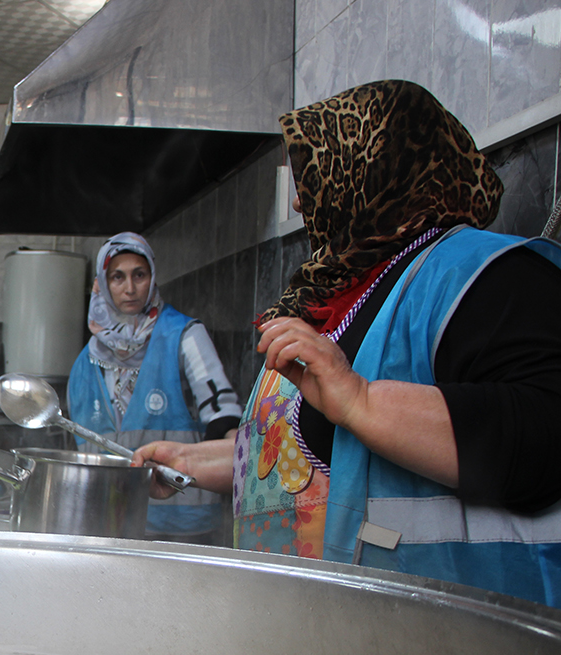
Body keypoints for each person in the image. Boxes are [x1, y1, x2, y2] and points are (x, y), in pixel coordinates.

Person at [132, 80, 561, 606]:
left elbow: (545, 436)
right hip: (324, 630)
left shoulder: (486, 276)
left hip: (450, 640)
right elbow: (303, 460)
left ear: (376, 169)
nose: (295, 199)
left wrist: (360, 399)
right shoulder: (338, 295)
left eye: (311, 175)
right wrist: (194, 462)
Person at [66, 232, 242, 543]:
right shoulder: (85, 363)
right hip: (111, 524)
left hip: (186, 526)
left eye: (140, 274)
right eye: (117, 277)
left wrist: (240, 465)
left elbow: (224, 416)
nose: (130, 288)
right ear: (103, 283)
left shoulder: (184, 335)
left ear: (153, 277)